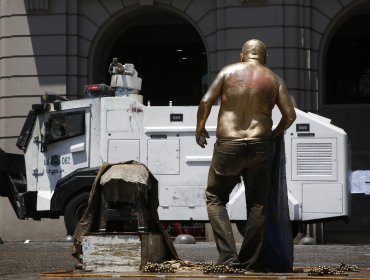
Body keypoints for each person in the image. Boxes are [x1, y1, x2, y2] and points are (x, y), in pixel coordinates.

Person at [195, 39, 296, 271]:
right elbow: (290, 116)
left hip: (228, 144)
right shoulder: (274, 79)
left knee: (215, 197)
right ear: (265, 58)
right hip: (260, 144)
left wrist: (199, 128)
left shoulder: (228, 72)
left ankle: (228, 257)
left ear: (243, 55)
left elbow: (205, 101)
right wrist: (272, 134)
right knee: (257, 204)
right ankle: (250, 261)